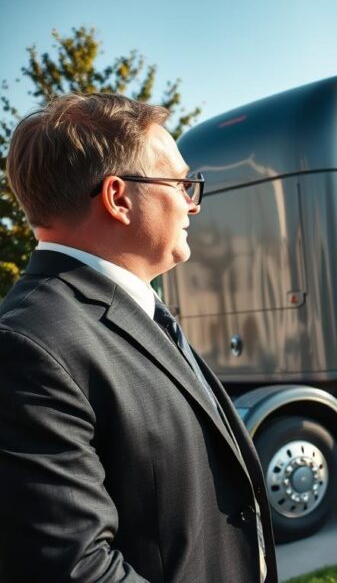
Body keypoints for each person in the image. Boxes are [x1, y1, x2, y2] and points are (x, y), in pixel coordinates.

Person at [0, 94, 276, 582]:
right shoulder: (27, 346)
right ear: (118, 197)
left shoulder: (134, 310)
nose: (192, 204)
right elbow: (75, 568)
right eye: (182, 184)